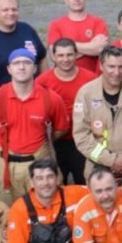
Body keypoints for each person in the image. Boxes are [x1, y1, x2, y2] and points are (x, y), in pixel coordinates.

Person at [0, 49, 69, 204]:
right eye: (16, 63)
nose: (21, 67)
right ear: (9, 69)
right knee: (7, 212)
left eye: (27, 63)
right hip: (6, 166)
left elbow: (61, 129)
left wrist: (40, 142)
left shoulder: (52, 99)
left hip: (40, 165)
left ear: (35, 68)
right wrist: (7, 142)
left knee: (46, 208)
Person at [72, 45, 122, 204]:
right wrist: (110, 160)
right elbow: (81, 135)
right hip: (98, 166)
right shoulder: (86, 93)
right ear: (101, 66)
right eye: (111, 66)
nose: (116, 72)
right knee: (99, 212)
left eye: (121, 67)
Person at [36, 38, 97, 185]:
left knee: (85, 184)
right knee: (56, 185)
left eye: (69, 55)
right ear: (53, 56)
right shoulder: (42, 81)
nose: (65, 59)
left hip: (83, 142)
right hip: (56, 143)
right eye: (61, 55)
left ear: (77, 55)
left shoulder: (90, 79)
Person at [46, 0, 109, 73]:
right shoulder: (56, 24)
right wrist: (90, 46)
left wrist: (66, 48)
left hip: (93, 78)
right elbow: (54, 55)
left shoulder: (98, 22)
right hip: (65, 79)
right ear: (66, 0)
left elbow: (99, 49)